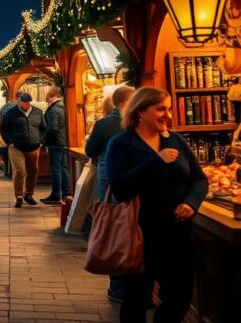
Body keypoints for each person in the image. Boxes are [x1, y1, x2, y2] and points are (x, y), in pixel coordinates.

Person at [106, 87, 207, 323]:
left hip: (178, 234)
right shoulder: (121, 144)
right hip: (140, 234)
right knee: (136, 298)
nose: (168, 115)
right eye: (161, 109)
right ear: (140, 110)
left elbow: (199, 179)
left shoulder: (176, 140)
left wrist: (191, 203)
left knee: (179, 297)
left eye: (169, 109)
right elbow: (120, 189)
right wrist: (155, 161)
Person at [84, 85, 135, 303]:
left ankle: (118, 287)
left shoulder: (103, 124)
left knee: (116, 232)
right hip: (123, 187)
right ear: (125, 103)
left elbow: (90, 151)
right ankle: (123, 286)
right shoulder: (134, 124)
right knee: (127, 232)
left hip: (110, 185)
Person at [0, 92, 46, 208]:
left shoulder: (38, 112)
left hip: (34, 147)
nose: (27, 105)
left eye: (29, 102)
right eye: (25, 102)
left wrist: (41, 141)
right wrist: (10, 142)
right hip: (16, 147)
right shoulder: (11, 113)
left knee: (33, 171)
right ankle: (19, 196)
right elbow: (3, 129)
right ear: (19, 101)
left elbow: (44, 128)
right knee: (19, 170)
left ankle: (28, 194)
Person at [41, 87, 71, 204]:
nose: (46, 101)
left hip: (55, 143)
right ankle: (66, 194)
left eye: (47, 99)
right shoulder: (63, 107)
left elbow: (53, 128)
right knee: (64, 168)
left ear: (50, 97)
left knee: (56, 169)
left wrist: (45, 141)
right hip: (63, 142)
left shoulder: (54, 110)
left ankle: (56, 195)